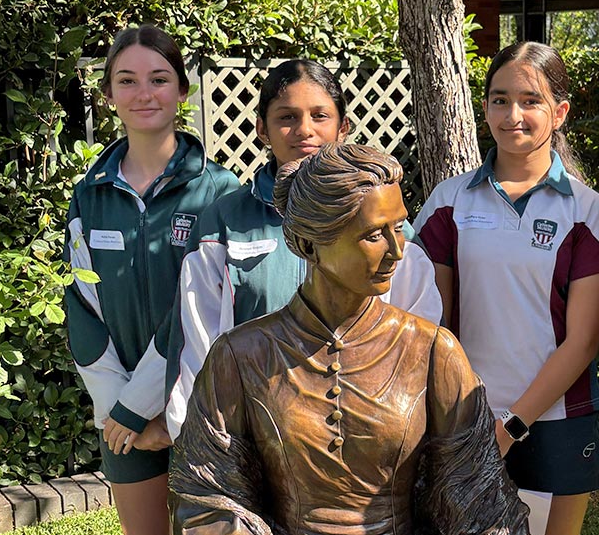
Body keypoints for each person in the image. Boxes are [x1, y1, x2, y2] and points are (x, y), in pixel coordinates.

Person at [170, 143, 540, 535]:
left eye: (398, 227)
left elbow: (478, 499)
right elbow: (208, 492)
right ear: (309, 244)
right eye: (372, 234)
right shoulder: (240, 358)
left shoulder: (432, 354)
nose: (397, 251)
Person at [140, 59, 441, 439]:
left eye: (320, 116)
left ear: (343, 127)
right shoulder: (224, 223)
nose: (305, 130)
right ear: (261, 129)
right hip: (255, 433)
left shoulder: (390, 227)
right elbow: (196, 342)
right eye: (287, 117)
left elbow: (417, 334)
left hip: (365, 432)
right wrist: (197, 440)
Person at [415, 42, 599, 535]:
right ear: (484, 109)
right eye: (500, 100)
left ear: (559, 111)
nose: (513, 115)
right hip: (465, 420)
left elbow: (581, 342)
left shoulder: (586, 210)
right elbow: (430, 325)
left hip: (554, 420)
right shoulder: (448, 201)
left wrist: (513, 425)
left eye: (530, 100)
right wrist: (470, 420)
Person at [63, 25, 239, 535]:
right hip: (121, 416)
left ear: (183, 90)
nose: (144, 93)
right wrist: (119, 408)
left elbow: (204, 312)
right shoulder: (90, 193)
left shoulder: (217, 192)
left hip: (203, 406)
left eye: (159, 79)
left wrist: (151, 408)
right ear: (108, 95)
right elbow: (81, 302)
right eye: (128, 80)